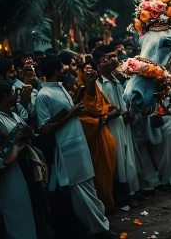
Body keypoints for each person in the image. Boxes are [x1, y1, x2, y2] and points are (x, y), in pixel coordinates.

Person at [35, 56, 116, 238]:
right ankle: (99, 229)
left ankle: (98, 225)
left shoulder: (60, 87)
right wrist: (71, 113)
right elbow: (44, 128)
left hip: (78, 144)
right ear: (56, 70)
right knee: (80, 192)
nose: (65, 69)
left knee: (88, 187)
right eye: (62, 66)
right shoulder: (43, 95)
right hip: (66, 149)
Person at [93, 46, 141, 206]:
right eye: (106, 58)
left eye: (113, 56)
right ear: (99, 64)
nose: (112, 60)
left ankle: (131, 192)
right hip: (111, 127)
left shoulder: (115, 81)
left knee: (128, 159)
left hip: (122, 124)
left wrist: (128, 113)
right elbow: (104, 110)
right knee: (118, 160)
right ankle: (121, 197)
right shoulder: (100, 84)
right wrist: (116, 114)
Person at [76, 60, 118, 210]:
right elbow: (80, 117)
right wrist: (97, 121)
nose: (89, 72)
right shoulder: (77, 91)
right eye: (84, 70)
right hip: (92, 139)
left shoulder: (95, 88)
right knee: (97, 175)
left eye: (90, 69)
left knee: (106, 173)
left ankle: (108, 202)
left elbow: (106, 107)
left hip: (104, 135)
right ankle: (101, 206)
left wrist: (107, 115)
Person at [0, 80, 38, 239]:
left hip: (25, 163)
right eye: (14, 92)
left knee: (30, 207)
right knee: (16, 212)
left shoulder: (14, 114)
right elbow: (6, 154)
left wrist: (27, 133)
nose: (17, 94)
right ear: (7, 96)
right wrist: (16, 138)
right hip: (11, 169)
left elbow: (29, 137)